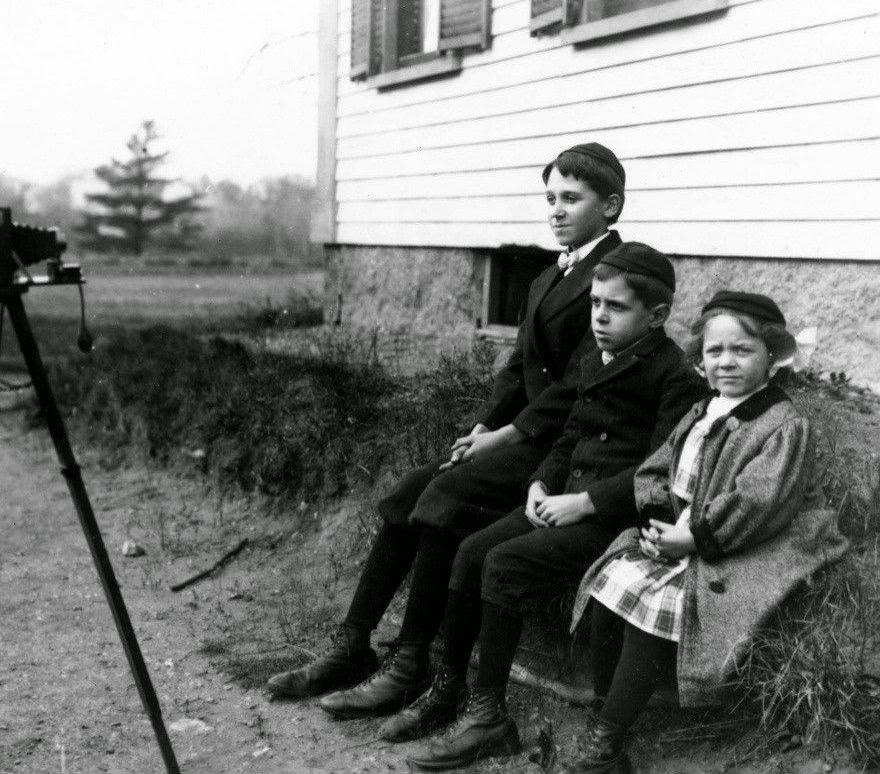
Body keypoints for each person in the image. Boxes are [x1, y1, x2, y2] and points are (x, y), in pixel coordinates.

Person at [266, 143, 627, 718]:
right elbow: (518, 370)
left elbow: (580, 385)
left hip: (565, 445)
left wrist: (505, 438)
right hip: (521, 434)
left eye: (572, 199)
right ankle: (352, 644)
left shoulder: (615, 275)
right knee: (406, 493)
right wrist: (484, 423)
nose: (556, 210)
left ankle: (410, 665)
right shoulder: (544, 277)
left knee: (445, 497)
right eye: (550, 198)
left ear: (611, 206)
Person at [395, 244, 707, 769]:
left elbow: (663, 469)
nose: (600, 318)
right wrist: (539, 486)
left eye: (616, 308)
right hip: (561, 498)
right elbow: (567, 438)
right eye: (595, 305)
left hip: (615, 516)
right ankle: (455, 692)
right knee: (472, 550)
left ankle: (489, 717)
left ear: (657, 316)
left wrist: (584, 503)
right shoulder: (593, 359)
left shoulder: (674, 377)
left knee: (504, 562)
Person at [560, 291, 848, 774]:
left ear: (773, 356)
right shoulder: (703, 412)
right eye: (715, 352)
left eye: (743, 350)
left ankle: (607, 742)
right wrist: (659, 523)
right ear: (700, 361)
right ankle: (607, 710)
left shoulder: (781, 424)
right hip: (687, 528)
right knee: (614, 580)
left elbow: (759, 501)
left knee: (663, 604)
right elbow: (657, 469)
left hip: (755, 538)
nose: (727, 362)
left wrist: (691, 538)